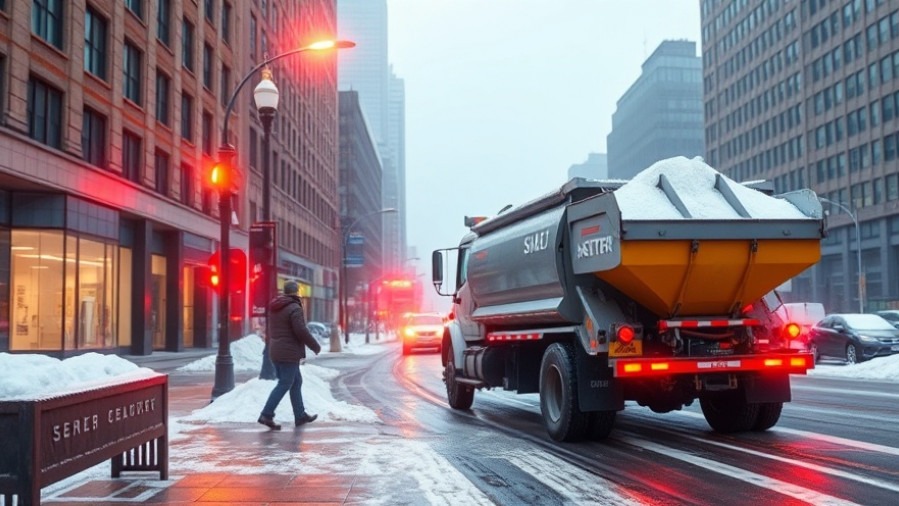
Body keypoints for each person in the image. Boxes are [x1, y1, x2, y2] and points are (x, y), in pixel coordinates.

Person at [258, 280, 322, 430]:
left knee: (296, 381)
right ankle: (266, 414)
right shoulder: (294, 307)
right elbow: (300, 330)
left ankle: (300, 415)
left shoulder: (276, 307)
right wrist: (315, 345)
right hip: (289, 352)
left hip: (276, 350)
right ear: (297, 292)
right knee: (285, 383)